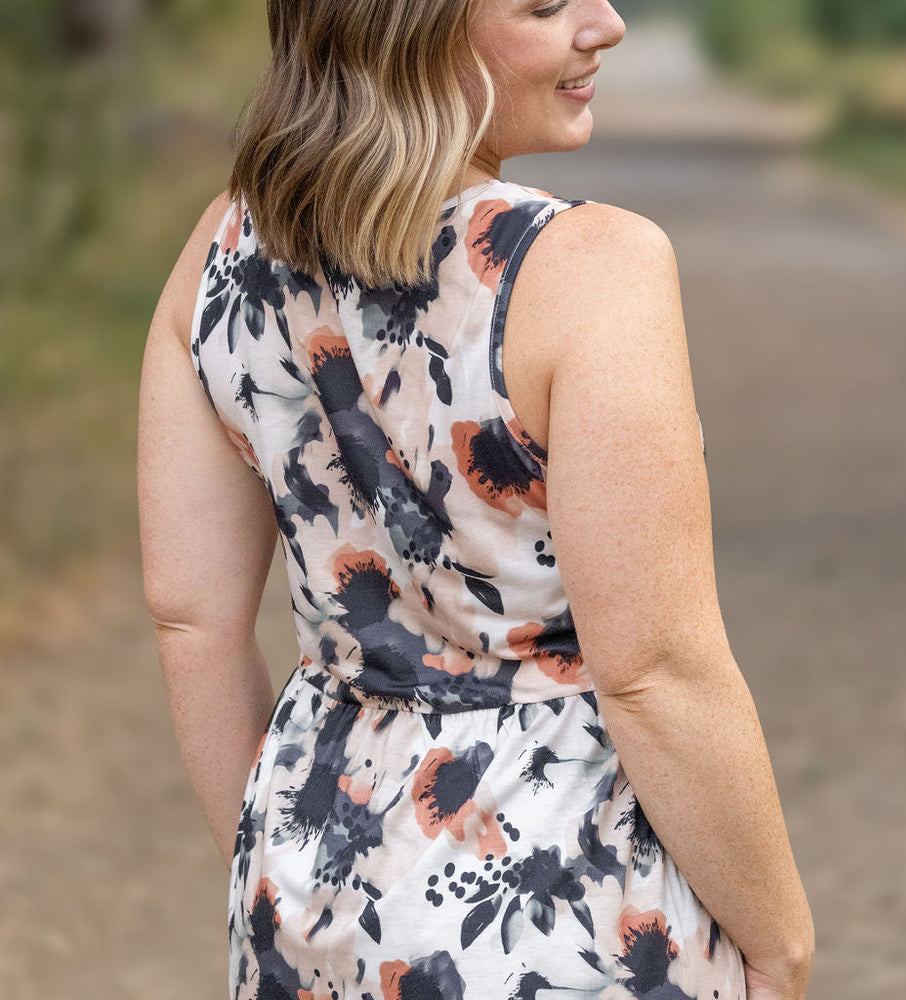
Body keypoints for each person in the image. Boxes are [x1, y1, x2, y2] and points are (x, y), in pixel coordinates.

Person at [138, 1, 814, 998]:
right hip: (569, 909)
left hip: (312, 901)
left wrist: (282, 866)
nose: (608, 23)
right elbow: (653, 673)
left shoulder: (220, 252)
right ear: (407, 25)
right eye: (545, 5)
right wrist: (778, 939)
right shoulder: (591, 272)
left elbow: (190, 618)